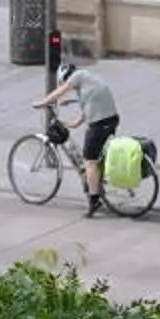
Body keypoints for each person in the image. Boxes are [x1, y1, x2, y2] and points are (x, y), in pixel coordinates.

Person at [39, 57, 120, 217]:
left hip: (100, 124)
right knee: (97, 156)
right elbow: (90, 103)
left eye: (64, 81)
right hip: (111, 120)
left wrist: (44, 102)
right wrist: (76, 123)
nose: (66, 84)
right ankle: (97, 184)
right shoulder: (89, 79)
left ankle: (94, 200)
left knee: (89, 161)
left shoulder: (78, 76)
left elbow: (61, 91)